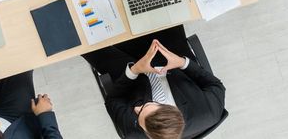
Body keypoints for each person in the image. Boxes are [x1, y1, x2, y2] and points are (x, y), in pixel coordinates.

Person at [80, 26, 225, 138]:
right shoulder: (209, 113)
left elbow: (112, 100)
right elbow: (215, 85)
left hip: (126, 69)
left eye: (139, 114)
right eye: (145, 107)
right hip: (169, 54)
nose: (136, 109)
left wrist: (134, 71)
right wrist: (182, 63)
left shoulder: (133, 134)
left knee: (81, 37)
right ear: (172, 108)